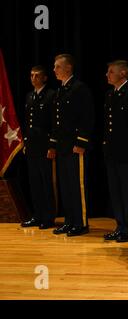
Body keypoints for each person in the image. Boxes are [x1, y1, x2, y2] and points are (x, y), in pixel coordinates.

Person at [49, 54, 95, 237]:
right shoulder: (60, 90)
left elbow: (87, 117)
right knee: (66, 185)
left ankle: (81, 223)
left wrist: (81, 142)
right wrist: (53, 144)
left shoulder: (79, 88)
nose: (54, 70)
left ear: (68, 68)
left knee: (78, 186)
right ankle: (69, 221)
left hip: (75, 146)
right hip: (63, 146)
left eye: (57, 67)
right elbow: (57, 121)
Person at [102, 60, 128, 242]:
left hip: (127, 152)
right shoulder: (110, 94)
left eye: (111, 72)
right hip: (112, 151)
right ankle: (120, 226)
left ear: (123, 73)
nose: (107, 75)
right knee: (115, 192)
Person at [20, 65, 56, 229]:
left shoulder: (50, 95)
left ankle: (48, 217)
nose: (33, 78)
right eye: (31, 75)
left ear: (44, 78)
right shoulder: (29, 96)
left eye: (37, 75)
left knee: (46, 183)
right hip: (32, 146)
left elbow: (54, 124)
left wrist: (52, 145)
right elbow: (28, 122)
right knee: (34, 183)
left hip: (45, 146)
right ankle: (37, 215)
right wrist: (26, 143)